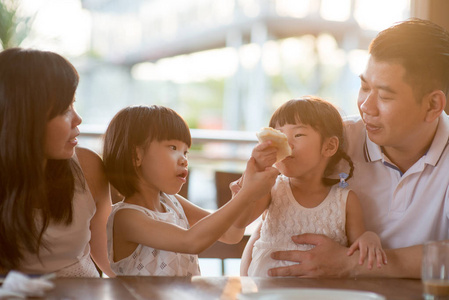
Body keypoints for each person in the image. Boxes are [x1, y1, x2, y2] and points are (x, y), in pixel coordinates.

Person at [257, 18, 449, 278]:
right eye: (364, 87)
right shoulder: (335, 141)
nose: (366, 107)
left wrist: (353, 264)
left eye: (384, 96)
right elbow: (270, 219)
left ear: (433, 105)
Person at [102, 105, 278, 276]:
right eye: (173, 148)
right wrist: (246, 194)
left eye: (185, 152)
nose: (184, 160)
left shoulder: (173, 202)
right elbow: (190, 241)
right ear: (136, 156)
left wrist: (241, 194)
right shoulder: (126, 218)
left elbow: (231, 233)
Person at [238, 97, 387, 277]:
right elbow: (240, 221)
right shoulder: (272, 188)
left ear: (329, 146)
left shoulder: (345, 200)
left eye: (298, 135)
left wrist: (369, 238)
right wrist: (252, 180)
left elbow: (356, 248)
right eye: (279, 135)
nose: (286, 143)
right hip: (264, 291)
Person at [0, 48, 114, 277]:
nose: (78, 118)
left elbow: (109, 258)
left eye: (74, 103)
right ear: (25, 118)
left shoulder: (88, 167)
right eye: (65, 109)